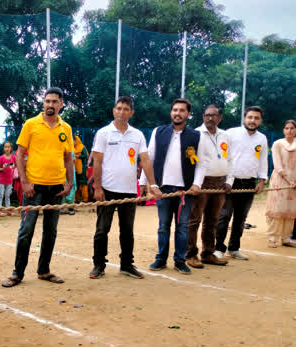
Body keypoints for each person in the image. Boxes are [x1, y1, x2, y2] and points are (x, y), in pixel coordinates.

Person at [2, 87, 74, 287]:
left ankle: (44, 270)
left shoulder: (65, 129)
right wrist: (24, 182)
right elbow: (19, 154)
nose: (50, 105)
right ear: (43, 103)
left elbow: (68, 158)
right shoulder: (31, 124)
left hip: (57, 188)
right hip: (33, 188)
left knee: (51, 231)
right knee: (26, 229)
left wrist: (69, 184)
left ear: (61, 104)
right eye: (47, 101)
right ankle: (17, 273)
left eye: (54, 102)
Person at [90, 96, 162, 280]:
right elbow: (97, 161)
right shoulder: (103, 133)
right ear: (114, 110)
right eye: (119, 108)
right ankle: (99, 265)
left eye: (125, 109)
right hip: (107, 189)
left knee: (127, 231)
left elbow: (145, 160)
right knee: (101, 230)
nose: (122, 112)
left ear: (131, 113)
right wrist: (98, 188)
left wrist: (152, 184)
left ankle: (127, 264)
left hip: (129, 190)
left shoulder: (137, 135)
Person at [139, 98, 205, 274]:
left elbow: (201, 164)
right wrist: (145, 183)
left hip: (186, 190)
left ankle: (180, 261)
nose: (178, 113)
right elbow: (149, 158)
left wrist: (197, 184)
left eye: (182, 110)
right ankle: (160, 259)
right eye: (175, 110)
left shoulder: (196, 136)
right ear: (171, 112)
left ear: (188, 114)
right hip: (163, 189)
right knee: (163, 226)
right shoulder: (158, 132)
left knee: (182, 227)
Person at [214, 106, 269, 261]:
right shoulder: (230, 133)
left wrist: (262, 181)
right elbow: (221, 155)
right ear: (244, 118)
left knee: (241, 218)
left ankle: (234, 248)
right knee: (224, 216)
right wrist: (224, 179)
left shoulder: (262, 138)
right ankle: (218, 248)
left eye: (256, 118)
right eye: (250, 117)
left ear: (260, 121)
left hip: (250, 183)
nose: (252, 121)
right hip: (230, 182)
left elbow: (263, 161)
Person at [186, 105, 232, 268]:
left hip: (220, 183)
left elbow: (230, 159)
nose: (209, 118)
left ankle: (208, 253)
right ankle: (190, 255)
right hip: (201, 183)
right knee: (194, 219)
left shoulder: (225, 135)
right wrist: (194, 183)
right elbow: (191, 160)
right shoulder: (195, 134)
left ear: (220, 117)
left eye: (213, 115)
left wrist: (229, 181)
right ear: (203, 116)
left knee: (212, 220)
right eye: (206, 115)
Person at [265, 120, 296, 248]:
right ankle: (273, 237)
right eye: (287, 128)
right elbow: (277, 165)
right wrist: (289, 181)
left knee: (291, 210)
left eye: (292, 128)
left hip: (295, 182)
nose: (289, 130)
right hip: (280, 181)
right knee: (278, 209)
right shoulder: (278, 144)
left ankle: (286, 238)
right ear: (283, 130)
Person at [0, 141, 15, 209]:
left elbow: (14, 166)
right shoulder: (1, 158)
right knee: (0, 195)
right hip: (2, 181)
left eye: (8, 147)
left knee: (7, 195)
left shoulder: (13, 158)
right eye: (5, 147)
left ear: (11, 148)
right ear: (4, 148)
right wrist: (3, 168)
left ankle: (8, 209)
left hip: (9, 180)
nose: (7, 148)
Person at [74, 134, 89, 202]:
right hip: (75, 169)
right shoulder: (72, 148)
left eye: (74, 140)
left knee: (83, 184)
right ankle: (77, 200)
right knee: (76, 185)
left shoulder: (82, 147)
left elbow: (85, 155)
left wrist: (78, 156)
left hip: (82, 169)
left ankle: (85, 199)